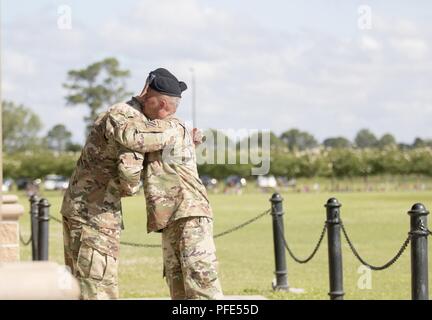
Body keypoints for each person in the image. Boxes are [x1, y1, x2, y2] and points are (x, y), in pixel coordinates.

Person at [60, 74, 181, 300]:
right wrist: (175, 132)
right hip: (94, 215)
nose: (165, 119)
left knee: (81, 287)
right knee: (98, 288)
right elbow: (132, 161)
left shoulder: (123, 113)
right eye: (167, 112)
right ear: (159, 102)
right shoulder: (125, 115)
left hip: (87, 211)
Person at [135, 68, 224, 300]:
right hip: (174, 218)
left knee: (202, 289)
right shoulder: (170, 129)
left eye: (148, 96)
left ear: (162, 104)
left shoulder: (169, 127)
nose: (143, 100)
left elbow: (133, 137)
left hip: (189, 216)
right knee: (180, 292)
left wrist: (132, 103)